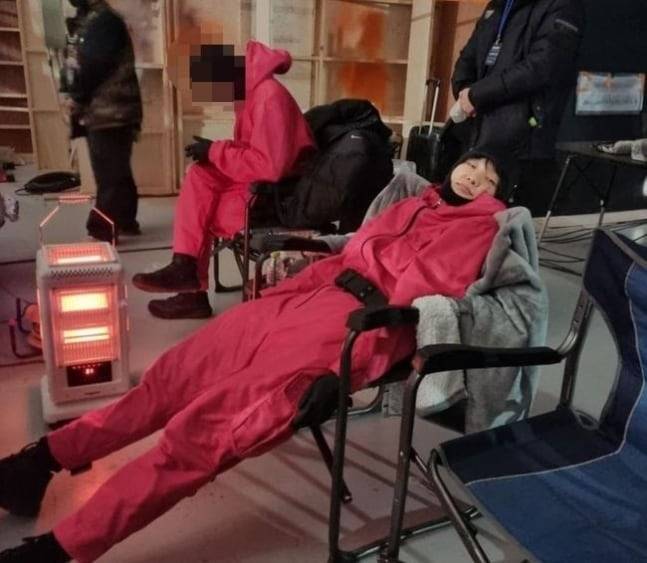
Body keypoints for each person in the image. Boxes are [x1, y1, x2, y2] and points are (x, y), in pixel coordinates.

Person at [0, 150, 509, 563]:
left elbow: (417, 301)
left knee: (202, 435)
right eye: (473, 163)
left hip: (352, 328)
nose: (476, 177)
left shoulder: (481, 226)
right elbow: (353, 251)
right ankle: (42, 460)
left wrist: (345, 367)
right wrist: (282, 292)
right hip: (304, 298)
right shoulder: (413, 201)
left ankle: (64, 546)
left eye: (490, 178)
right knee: (171, 376)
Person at [131, 39, 315, 320]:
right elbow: (254, 152)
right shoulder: (253, 93)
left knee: (201, 214)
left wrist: (215, 151)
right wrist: (213, 152)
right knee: (200, 176)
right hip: (266, 188)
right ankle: (186, 269)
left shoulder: (268, 98)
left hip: (279, 197)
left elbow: (269, 166)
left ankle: (191, 289)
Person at [450, 0, 584, 214]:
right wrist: (463, 89)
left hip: (524, 144)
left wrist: (478, 94)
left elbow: (543, 66)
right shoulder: (497, 5)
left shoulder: (562, 6)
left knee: (509, 222)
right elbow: (468, 56)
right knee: (466, 218)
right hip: (478, 135)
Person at [63, 0, 143, 242]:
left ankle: (101, 231)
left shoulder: (103, 21)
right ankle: (126, 220)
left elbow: (93, 65)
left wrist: (76, 96)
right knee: (117, 169)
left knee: (110, 174)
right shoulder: (95, 19)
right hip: (113, 110)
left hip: (110, 112)